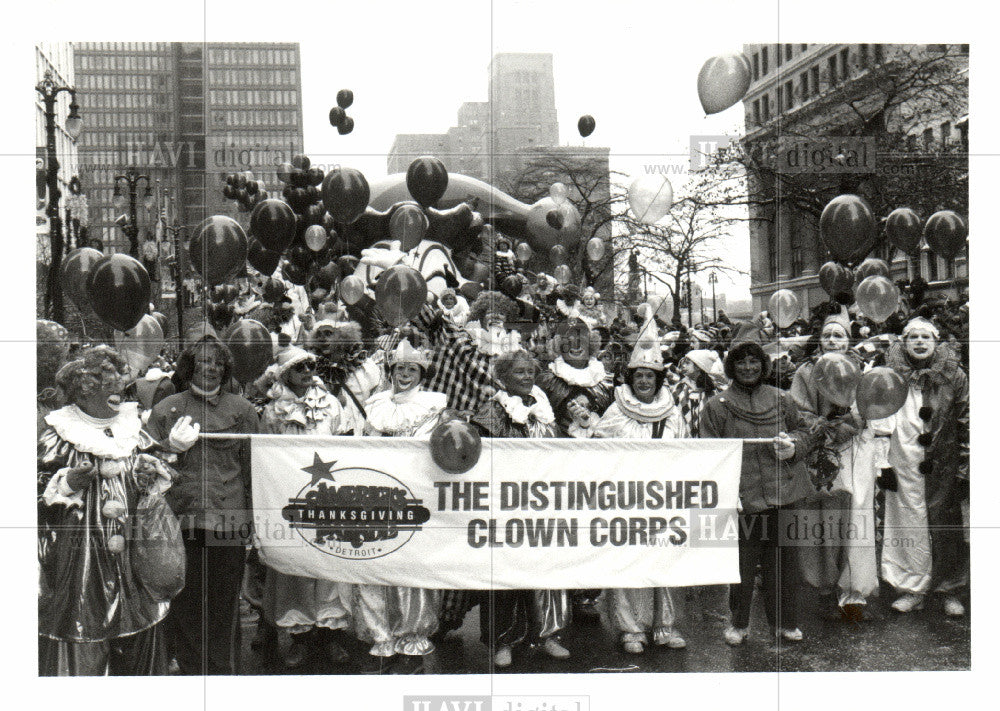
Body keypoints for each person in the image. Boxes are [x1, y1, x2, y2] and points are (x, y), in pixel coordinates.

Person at [38, 345, 174, 675]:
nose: (119, 391)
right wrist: (67, 482)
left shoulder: (132, 429)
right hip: (78, 563)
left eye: (120, 383)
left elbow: (153, 480)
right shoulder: (57, 434)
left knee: (138, 638)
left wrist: (151, 473)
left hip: (134, 561)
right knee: (83, 640)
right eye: (106, 383)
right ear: (83, 390)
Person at [146, 332, 260, 675]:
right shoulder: (167, 409)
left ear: (226, 369)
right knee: (184, 604)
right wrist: (169, 447)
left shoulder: (242, 410)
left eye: (217, 363)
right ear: (188, 367)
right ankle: (196, 677)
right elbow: (145, 468)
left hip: (228, 524)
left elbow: (255, 469)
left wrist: (255, 523)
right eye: (202, 362)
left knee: (225, 607)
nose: (210, 368)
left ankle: (224, 677)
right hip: (180, 522)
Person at [700, 322, 813, 645]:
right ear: (731, 366)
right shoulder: (716, 407)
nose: (748, 367)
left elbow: (805, 432)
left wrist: (793, 445)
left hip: (785, 493)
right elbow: (709, 454)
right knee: (742, 568)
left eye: (754, 361)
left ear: (763, 364)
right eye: (741, 361)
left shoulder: (782, 399)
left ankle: (785, 622)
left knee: (784, 565)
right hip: (742, 499)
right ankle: (739, 624)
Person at [345, 338, 446, 662]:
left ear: (421, 373)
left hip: (415, 496)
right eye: (400, 368)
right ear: (391, 370)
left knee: (410, 568)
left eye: (412, 369)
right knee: (374, 565)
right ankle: (380, 634)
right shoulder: (374, 404)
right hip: (375, 494)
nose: (405, 374)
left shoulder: (434, 404)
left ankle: (411, 633)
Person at [470, 349, 570, 668]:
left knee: (545, 570)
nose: (526, 377)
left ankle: (547, 635)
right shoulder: (492, 409)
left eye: (530, 371)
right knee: (505, 574)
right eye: (519, 372)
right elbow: (479, 453)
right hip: (506, 501)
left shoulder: (543, 407)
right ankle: (503, 640)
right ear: (503, 377)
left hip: (542, 501)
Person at [590, 331, 687, 654]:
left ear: (659, 379)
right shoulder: (617, 411)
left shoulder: (672, 412)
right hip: (627, 498)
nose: (644, 381)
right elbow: (597, 448)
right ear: (630, 377)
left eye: (650, 375)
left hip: (665, 496)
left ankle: (664, 625)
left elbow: (688, 450)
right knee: (629, 561)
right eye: (639, 375)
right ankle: (631, 628)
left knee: (666, 561)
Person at [259, 347, 354, 668]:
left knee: (330, 563)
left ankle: (331, 637)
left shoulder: (331, 405)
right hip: (290, 496)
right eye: (299, 366)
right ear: (285, 372)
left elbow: (348, 446)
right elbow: (266, 456)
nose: (308, 370)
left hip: (330, 497)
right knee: (294, 566)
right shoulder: (273, 412)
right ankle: (300, 638)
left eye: (312, 365)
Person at [790, 313, 881, 620]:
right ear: (820, 339)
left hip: (855, 450)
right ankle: (826, 584)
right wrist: (824, 429)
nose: (832, 340)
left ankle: (856, 591)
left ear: (848, 340)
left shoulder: (861, 370)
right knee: (826, 520)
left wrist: (846, 427)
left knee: (857, 516)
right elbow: (798, 410)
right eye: (827, 335)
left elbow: (866, 408)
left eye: (838, 335)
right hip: (820, 451)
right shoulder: (805, 371)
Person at [881, 317, 969, 616]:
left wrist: (965, 465)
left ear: (935, 341)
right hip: (903, 461)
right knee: (907, 523)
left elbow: (966, 418)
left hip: (942, 461)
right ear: (904, 343)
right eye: (913, 337)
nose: (919, 342)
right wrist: (882, 461)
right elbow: (877, 417)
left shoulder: (954, 375)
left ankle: (950, 589)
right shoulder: (889, 375)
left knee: (946, 525)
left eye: (925, 337)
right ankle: (910, 587)